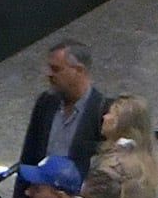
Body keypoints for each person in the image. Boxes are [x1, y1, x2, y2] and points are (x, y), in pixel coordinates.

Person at [15, 40, 107, 186]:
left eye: (56, 69)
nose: (49, 74)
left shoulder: (103, 112)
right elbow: (29, 156)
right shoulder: (45, 102)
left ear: (79, 70)